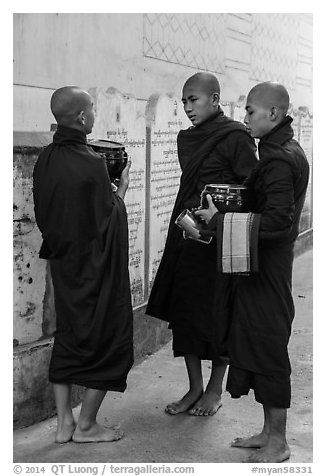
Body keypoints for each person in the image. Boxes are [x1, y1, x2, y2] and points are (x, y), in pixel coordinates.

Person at [195, 81, 309, 462]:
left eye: (250, 112)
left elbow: (277, 222)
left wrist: (222, 218)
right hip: (260, 267)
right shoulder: (279, 149)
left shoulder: (279, 159)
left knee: (269, 349)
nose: (244, 119)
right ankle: (266, 433)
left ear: (273, 114)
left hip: (269, 270)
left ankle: (279, 442)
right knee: (258, 347)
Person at [146, 72, 258, 416]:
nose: (187, 108)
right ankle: (194, 386)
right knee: (185, 313)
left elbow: (252, 188)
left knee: (217, 313)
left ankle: (214, 388)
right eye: (183, 101)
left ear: (215, 98)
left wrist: (220, 213)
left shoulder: (236, 136)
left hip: (219, 239)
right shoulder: (190, 138)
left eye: (193, 100)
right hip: (187, 234)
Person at [33, 86, 133, 444]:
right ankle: (87, 424)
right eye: (91, 108)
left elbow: (47, 213)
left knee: (68, 337)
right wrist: (120, 191)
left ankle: (64, 424)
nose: (93, 113)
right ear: (80, 117)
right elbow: (105, 220)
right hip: (95, 269)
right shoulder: (92, 162)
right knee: (110, 336)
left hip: (63, 265)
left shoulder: (45, 158)